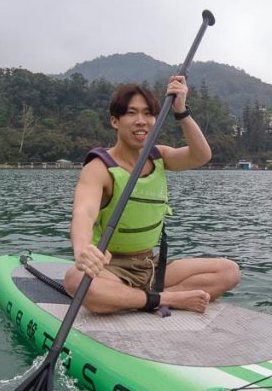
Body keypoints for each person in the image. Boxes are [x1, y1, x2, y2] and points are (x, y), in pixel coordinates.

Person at [62, 76, 240, 314]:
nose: (141, 121)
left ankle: (147, 298)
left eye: (148, 114)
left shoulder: (160, 156)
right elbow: (83, 212)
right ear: (115, 121)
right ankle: (165, 299)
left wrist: (181, 111)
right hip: (112, 267)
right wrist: (83, 249)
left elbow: (201, 155)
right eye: (132, 113)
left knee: (229, 271)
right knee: (76, 280)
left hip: (151, 265)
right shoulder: (99, 168)